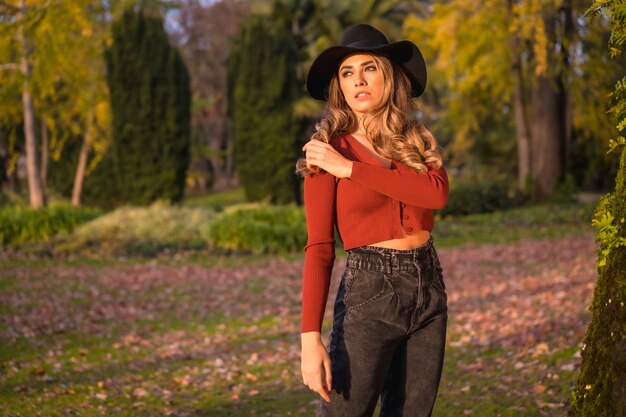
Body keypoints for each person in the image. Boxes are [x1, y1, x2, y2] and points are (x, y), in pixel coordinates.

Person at [295, 24, 449, 417]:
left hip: (428, 288)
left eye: (370, 68)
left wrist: (351, 170)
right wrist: (309, 338)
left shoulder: (416, 140)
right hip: (370, 291)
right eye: (347, 73)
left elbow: (435, 195)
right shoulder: (326, 152)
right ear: (339, 87)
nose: (359, 80)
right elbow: (319, 248)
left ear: (389, 76)